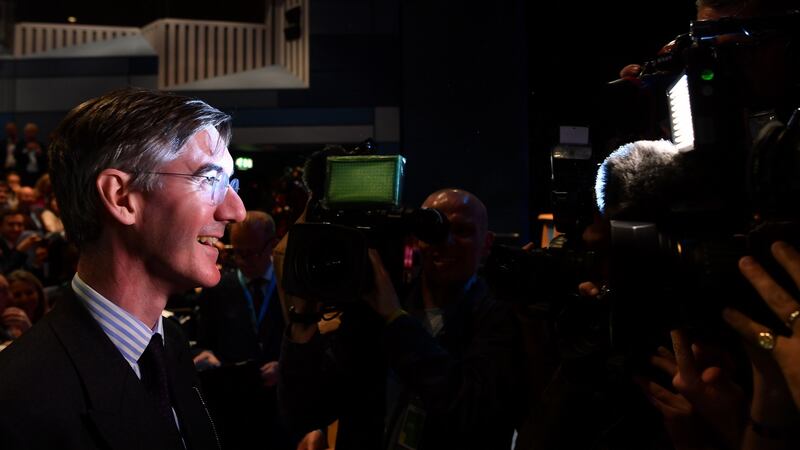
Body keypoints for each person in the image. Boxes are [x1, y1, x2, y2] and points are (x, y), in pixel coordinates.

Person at [0, 87, 246, 449]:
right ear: (121, 197)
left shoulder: (169, 343)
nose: (235, 211)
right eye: (209, 180)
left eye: (229, 183)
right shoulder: (18, 399)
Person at [279, 188, 524, 450]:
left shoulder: (500, 317)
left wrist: (395, 319)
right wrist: (303, 321)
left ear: (487, 244)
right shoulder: (376, 309)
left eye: (463, 231)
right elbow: (306, 412)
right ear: (418, 239)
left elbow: (471, 412)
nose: (447, 241)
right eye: (434, 231)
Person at [193, 210, 290, 450]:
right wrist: (205, 353)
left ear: (273, 245)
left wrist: (286, 367)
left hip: (281, 407)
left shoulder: (290, 287)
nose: (242, 261)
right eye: (237, 252)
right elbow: (201, 340)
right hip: (233, 407)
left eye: (250, 253)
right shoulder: (216, 288)